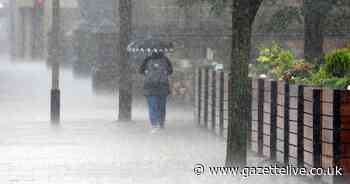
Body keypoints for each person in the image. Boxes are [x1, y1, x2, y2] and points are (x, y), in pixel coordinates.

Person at [139, 51, 173, 133]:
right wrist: (163, 73)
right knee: (161, 106)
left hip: (150, 86)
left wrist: (149, 73)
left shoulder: (147, 59)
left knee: (153, 106)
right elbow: (170, 71)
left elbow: (141, 71)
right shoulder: (165, 59)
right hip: (162, 85)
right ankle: (161, 123)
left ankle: (154, 124)